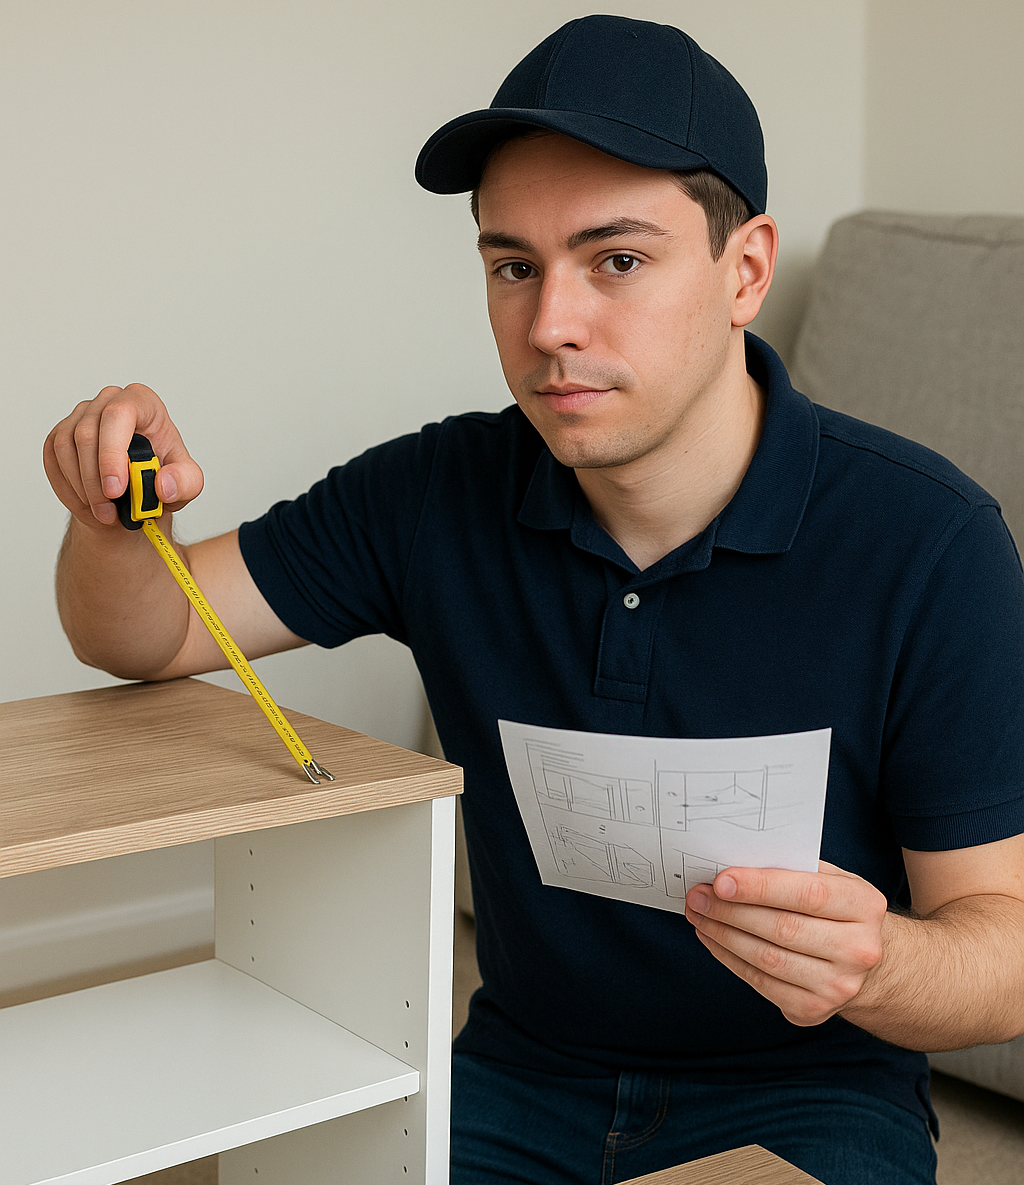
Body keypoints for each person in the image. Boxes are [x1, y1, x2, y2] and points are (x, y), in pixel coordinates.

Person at [43, 15, 1024, 1185]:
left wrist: (877, 966)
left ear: (744, 269)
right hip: (518, 1075)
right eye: (514, 266)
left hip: (811, 1092)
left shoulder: (928, 541)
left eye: (616, 259)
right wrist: (113, 511)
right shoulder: (435, 489)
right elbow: (143, 634)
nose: (549, 326)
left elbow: (1002, 950)